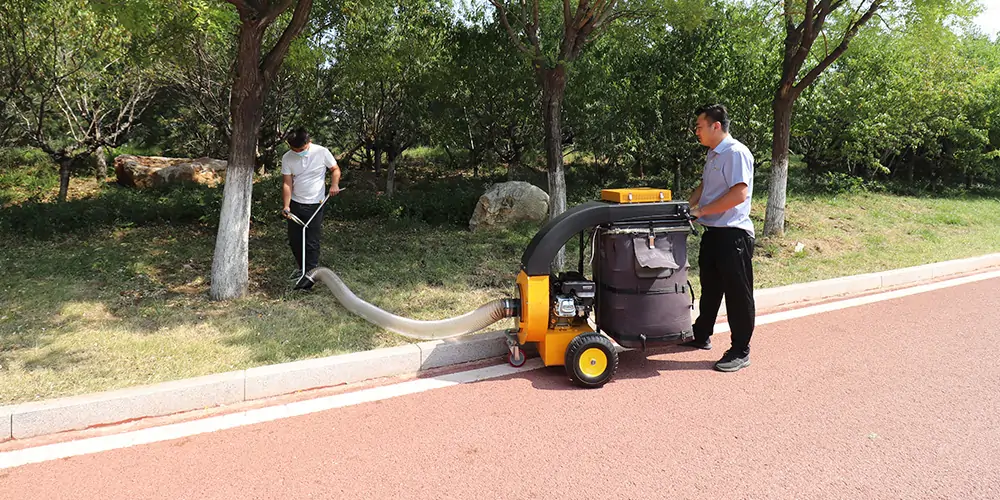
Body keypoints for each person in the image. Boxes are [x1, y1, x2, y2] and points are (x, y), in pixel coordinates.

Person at [680, 104, 756, 372]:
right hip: (713, 232)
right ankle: (701, 334)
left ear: (716, 126)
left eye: (699, 127)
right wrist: (686, 208)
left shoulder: (735, 153)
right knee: (710, 289)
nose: (696, 132)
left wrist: (701, 211)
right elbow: (704, 186)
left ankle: (740, 350)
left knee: (738, 295)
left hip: (733, 235)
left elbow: (739, 194)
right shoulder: (713, 154)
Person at [281, 127, 342, 290]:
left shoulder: (321, 152)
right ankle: (303, 269)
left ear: (309, 142)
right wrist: (286, 206)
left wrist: (334, 184)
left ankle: (310, 275)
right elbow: (287, 183)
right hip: (295, 203)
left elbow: (335, 170)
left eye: (301, 149)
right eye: (294, 149)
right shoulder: (287, 158)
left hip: (316, 203)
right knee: (295, 239)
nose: (297, 152)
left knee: (311, 240)